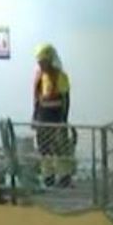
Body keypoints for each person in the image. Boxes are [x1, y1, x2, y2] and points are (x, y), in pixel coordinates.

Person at [32, 44, 74, 187]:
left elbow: (65, 100)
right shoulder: (39, 77)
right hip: (43, 118)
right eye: (39, 62)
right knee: (44, 149)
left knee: (60, 149)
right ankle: (48, 176)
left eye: (43, 62)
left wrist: (63, 121)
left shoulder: (61, 76)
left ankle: (64, 177)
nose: (41, 65)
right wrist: (35, 118)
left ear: (50, 60)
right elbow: (37, 100)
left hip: (57, 117)